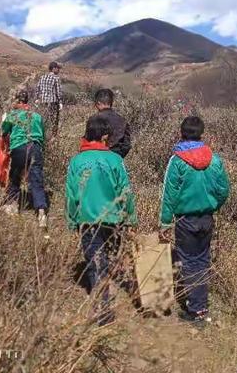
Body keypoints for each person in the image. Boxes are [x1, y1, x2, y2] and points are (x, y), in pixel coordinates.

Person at [65, 116, 136, 325]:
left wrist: (72, 220)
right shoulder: (115, 160)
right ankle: (106, 301)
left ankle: (103, 310)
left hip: (87, 219)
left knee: (96, 262)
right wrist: (130, 218)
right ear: (105, 137)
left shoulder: (76, 161)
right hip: (113, 219)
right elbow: (126, 191)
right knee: (106, 258)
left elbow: (71, 195)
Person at [159, 116, 230, 326]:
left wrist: (164, 222)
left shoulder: (177, 160)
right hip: (207, 218)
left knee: (189, 262)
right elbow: (224, 190)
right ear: (201, 134)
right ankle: (201, 304)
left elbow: (169, 195)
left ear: (181, 133)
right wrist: (214, 205)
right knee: (202, 259)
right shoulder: (214, 159)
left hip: (185, 219)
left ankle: (196, 309)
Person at [1, 90, 48, 229]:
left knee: (14, 178)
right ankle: (41, 213)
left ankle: (13, 206)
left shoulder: (12, 115)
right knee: (36, 181)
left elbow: (3, 133)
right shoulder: (37, 116)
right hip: (35, 148)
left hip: (19, 149)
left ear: (17, 101)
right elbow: (43, 137)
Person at [91, 89, 131, 158]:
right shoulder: (122, 120)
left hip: (97, 160)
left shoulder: (94, 120)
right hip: (116, 160)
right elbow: (126, 145)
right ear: (111, 103)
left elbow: (88, 143)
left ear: (98, 103)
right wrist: (117, 157)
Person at [35, 61, 63, 136]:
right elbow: (58, 91)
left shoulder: (42, 77)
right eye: (58, 68)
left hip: (43, 102)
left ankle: (43, 135)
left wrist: (37, 98)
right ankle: (54, 137)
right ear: (53, 68)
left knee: (44, 120)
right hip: (53, 102)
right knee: (54, 121)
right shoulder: (56, 78)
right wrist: (60, 102)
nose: (59, 70)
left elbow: (38, 88)